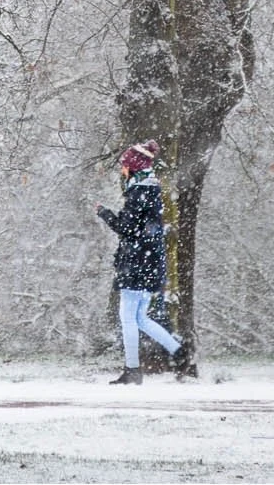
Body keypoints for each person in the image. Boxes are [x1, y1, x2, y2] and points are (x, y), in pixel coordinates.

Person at [97, 139, 184, 385]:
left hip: (137, 263)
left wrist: (105, 213)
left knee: (128, 319)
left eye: (124, 167)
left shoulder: (139, 193)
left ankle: (133, 370)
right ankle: (179, 351)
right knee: (140, 319)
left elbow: (127, 229)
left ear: (132, 168)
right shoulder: (151, 190)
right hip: (148, 263)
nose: (122, 171)